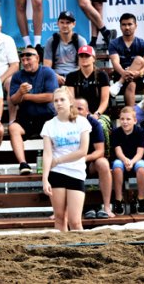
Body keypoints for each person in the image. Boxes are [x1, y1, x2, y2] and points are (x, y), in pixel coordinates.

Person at [41, 88, 91, 232]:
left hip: (76, 172)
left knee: (75, 221)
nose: (59, 103)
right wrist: (45, 179)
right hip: (57, 173)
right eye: (56, 101)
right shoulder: (49, 125)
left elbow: (83, 151)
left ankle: (81, 246)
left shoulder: (82, 122)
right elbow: (47, 153)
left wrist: (59, 160)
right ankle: (62, 245)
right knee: (60, 217)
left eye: (62, 99)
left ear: (70, 102)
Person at [9, 46, 59, 175]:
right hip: (27, 118)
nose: (25, 63)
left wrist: (25, 96)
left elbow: (51, 96)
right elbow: (14, 100)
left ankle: (57, 164)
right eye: (23, 60)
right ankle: (23, 164)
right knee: (13, 128)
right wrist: (20, 92)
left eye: (28, 59)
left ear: (37, 58)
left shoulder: (48, 72)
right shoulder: (17, 76)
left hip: (48, 117)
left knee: (59, 126)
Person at [77, 98, 113, 219]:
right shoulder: (66, 123)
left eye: (80, 109)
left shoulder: (94, 123)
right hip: (71, 161)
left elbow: (100, 151)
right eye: (74, 109)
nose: (76, 112)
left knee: (103, 163)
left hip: (90, 162)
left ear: (87, 111)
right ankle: (61, 210)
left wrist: (84, 158)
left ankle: (107, 207)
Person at [111, 106, 144, 216]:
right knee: (117, 166)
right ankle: (119, 199)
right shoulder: (116, 132)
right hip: (121, 159)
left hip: (136, 159)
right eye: (122, 119)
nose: (125, 122)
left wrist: (132, 162)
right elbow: (118, 151)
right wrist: (125, 160)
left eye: (128, 119)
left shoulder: (140, 132)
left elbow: (140, 152)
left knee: (142, 168)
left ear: (135, 120)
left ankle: (141, 199)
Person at [108, 13, 144, 106]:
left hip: (139, 77)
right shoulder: (114, 43)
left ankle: (120, 83)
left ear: (135, 26)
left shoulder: (142, 43)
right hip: (120, 74)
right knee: (131, 84)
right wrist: (124, 73)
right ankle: (131, 114)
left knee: (139, 60)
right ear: (120, 27)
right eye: (124, 24)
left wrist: (139, 73)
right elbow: (115, 62)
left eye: (129, 24)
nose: (127, 27)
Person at [65, 45, 111, 120]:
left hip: (100, 115)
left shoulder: (102, 76)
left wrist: (97, 114)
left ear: (93, 58)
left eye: (87, 56)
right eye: (81, 56)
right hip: (78, 115)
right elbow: (71, 100)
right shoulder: (71, 77)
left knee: (101, 124)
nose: (84, 58)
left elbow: (105, 101)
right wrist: (80, 114)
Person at [43, 11, 87, 86]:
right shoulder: (51, 41)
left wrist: (73, 77)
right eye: (62, 22)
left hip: (76, 76)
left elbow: (84, 63)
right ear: (58, 24)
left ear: (74, 24)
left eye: (68, 23)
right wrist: (55, 76)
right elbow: (47, 67)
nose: (65, 25)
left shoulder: (80, 41)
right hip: (56, 75)